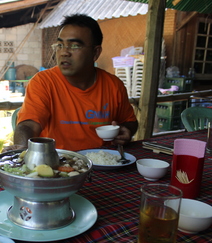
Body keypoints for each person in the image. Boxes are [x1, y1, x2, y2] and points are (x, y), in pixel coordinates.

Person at [9, 14, 138, 151]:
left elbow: (130, 122)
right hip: (56, 163)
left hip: (102, 162)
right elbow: (28, 125)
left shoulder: (114, 86)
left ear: (95, 52)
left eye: (75, 46)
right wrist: (21, 149)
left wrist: (126, 131)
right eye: (60, 45)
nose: (64, 52)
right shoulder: (43, 82)